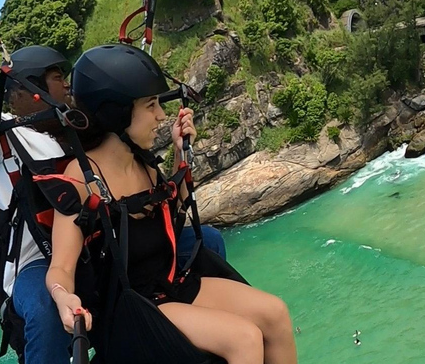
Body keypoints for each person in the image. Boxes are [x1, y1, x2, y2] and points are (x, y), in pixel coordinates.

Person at [0, 25, 228, 363]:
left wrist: (181, 154)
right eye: (55, 77)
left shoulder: (78, 129)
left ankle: (202, 339)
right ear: (27, 90)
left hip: (97, 245)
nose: (65, 85)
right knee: (43, 309)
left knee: (206, 242)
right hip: (39, 261)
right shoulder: (4, 133)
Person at [46, 44, 297, 364]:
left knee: (275, 314)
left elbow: (170, 215)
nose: (161, 116)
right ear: (116, 113)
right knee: (243, 339)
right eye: (150, 105)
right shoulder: (81, 180)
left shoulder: (145, 165)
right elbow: (61, 267)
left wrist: (181, 154)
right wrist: (63, 297)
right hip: (136, 309)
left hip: (173, 283)